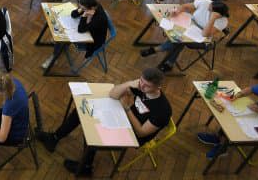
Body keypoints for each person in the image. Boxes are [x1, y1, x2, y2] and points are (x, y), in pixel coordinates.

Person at [37, 67, 172, 176]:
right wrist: (129, 83)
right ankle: (54, 137)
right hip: (123, 117)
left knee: (91, 130)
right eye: (141, 81)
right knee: (81, 111)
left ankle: (86, 167)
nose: (141, 87)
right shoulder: (141, 86)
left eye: (146, 86)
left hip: (132, 135)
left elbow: (141, 133)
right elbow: (113, 94)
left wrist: (126, 108)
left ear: (158, 88)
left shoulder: (163, 111)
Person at [140, 0, 229, 72]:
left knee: (179, 41)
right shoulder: (207, 3)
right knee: (179, 40)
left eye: (210, 8)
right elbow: (185, 6)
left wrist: (212, 18)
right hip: (190, 26)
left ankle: (157, 49)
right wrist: (178, 11)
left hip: (202, 40)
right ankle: (169, 64)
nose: (208, 7)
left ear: (217, 13)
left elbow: (205, 34)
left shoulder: (222, 21)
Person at [41, 0, 108, 71]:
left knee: (63, 37)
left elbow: (81, 29)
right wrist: (80, 10)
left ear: (92, 8)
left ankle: (54, 57)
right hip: (87, 30)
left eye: (83, 8)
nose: (81, 9)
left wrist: (83, 16)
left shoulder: (99, 18)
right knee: (63, 32)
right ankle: (60, 46)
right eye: (80, 7)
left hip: (93, 40)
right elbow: (73, 15)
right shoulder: (91, 5)